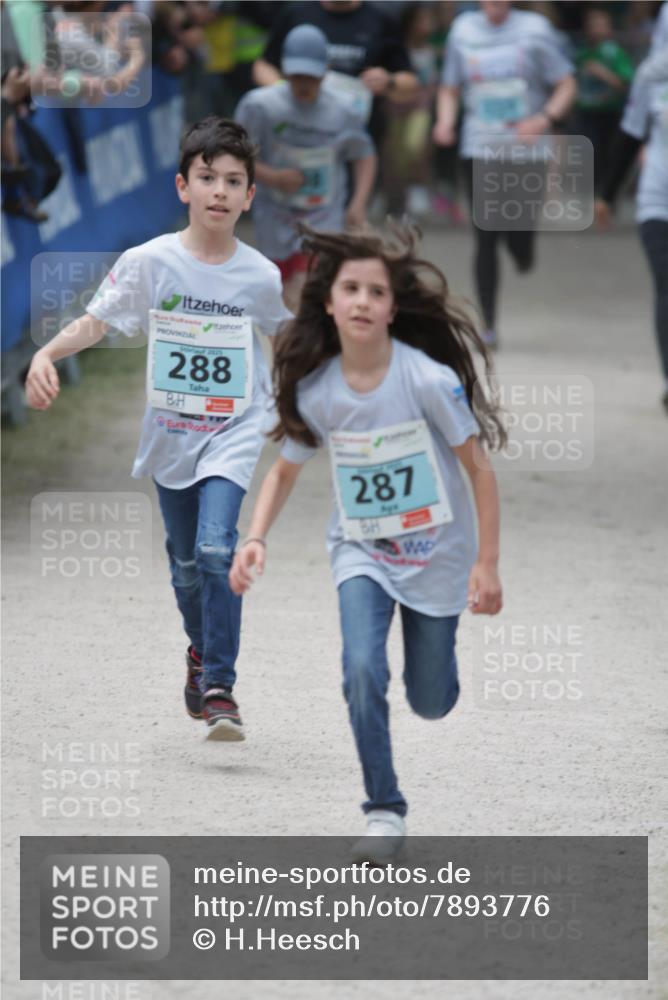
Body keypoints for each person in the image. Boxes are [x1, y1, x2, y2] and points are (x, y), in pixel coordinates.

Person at [229, 225, 505, 860]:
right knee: (360, 668)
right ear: (329, 301)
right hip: (362, 553)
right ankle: (384, 809)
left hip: (437, 556)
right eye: (349, 288)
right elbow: (285, 468)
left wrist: (486, 564)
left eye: (374, 291)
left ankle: (437, 674)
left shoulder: (429, 380)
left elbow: (479, 470)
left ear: (392, 306)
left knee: (431, 701)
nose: (360, 301)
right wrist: (255, 538)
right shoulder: (319, 389)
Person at [24, 117, 290, 742]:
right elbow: (98, 320)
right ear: (182, 187)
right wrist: (44, 356)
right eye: (207, 179)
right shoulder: (150, 262)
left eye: (233, 181)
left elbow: (288, 339)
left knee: (217, 548)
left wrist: (308, 400)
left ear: (250, 195)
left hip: (234, 431)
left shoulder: (260, 276)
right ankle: (200, 653)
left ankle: (221, 686)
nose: (219, 192)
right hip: (172, 437)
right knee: (185, 567)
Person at [433, 0, 576, 348]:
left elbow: (566, 84)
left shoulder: (536, 30)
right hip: (480, 147)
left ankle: (524, 249)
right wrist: (445, 121)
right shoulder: (463, 30)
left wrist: (544, 119)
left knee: (518, 235)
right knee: (485, 236)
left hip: (527, 149)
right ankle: (489, 325)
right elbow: (450, 87)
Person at [235, 24, 376, 310]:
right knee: (282, 302)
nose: (303, 84)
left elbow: (364, 155)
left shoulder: (344, 109)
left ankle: (311, 351)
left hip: (324, 219)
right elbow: (235, 155)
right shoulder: (260, 106)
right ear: (285, 70)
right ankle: (291, 352)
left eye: (310, 76)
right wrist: (271, 177)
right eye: (296, 75)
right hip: (275, 219)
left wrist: (358, 204)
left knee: (308, 294)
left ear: (326, 70)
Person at [596, 40, 668, 413]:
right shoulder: (652, 75)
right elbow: (630, 135)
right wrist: (607, 194)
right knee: (666, 285)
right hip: (659, 199)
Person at [574, 5, 634, 190]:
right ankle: (589, 192)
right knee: (588, 152)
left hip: (610, 112)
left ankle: (604, 194)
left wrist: (603, 73)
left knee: (608, 153)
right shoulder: (583, 52)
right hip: (585, 112)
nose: (597, 29)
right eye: (594, 25)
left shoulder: (614, 53)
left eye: (602, 24)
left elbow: (626, 83)